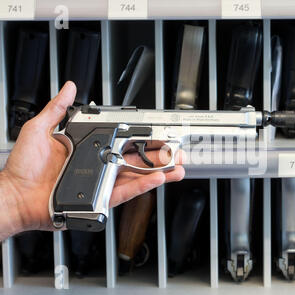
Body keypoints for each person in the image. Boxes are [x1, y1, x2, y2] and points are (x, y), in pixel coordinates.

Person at [0, 82, 185, 241]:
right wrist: (15, 197)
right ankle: (76, 207)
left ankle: (75, 207)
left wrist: (14, 200)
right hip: (98, 130)